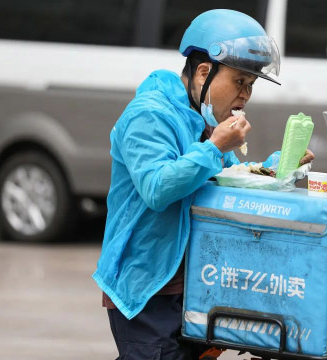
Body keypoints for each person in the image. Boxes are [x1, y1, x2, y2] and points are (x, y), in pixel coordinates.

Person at [92, 9, 314, 360]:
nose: (245, 95)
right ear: (203, 73)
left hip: (200, 284)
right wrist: (214, 147)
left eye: (251, 86)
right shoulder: (149, 115)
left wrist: (278, 167)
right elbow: (157, 188)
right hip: (149, 288)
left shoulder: (205, 119)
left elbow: (226, 185)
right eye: (239, 82)